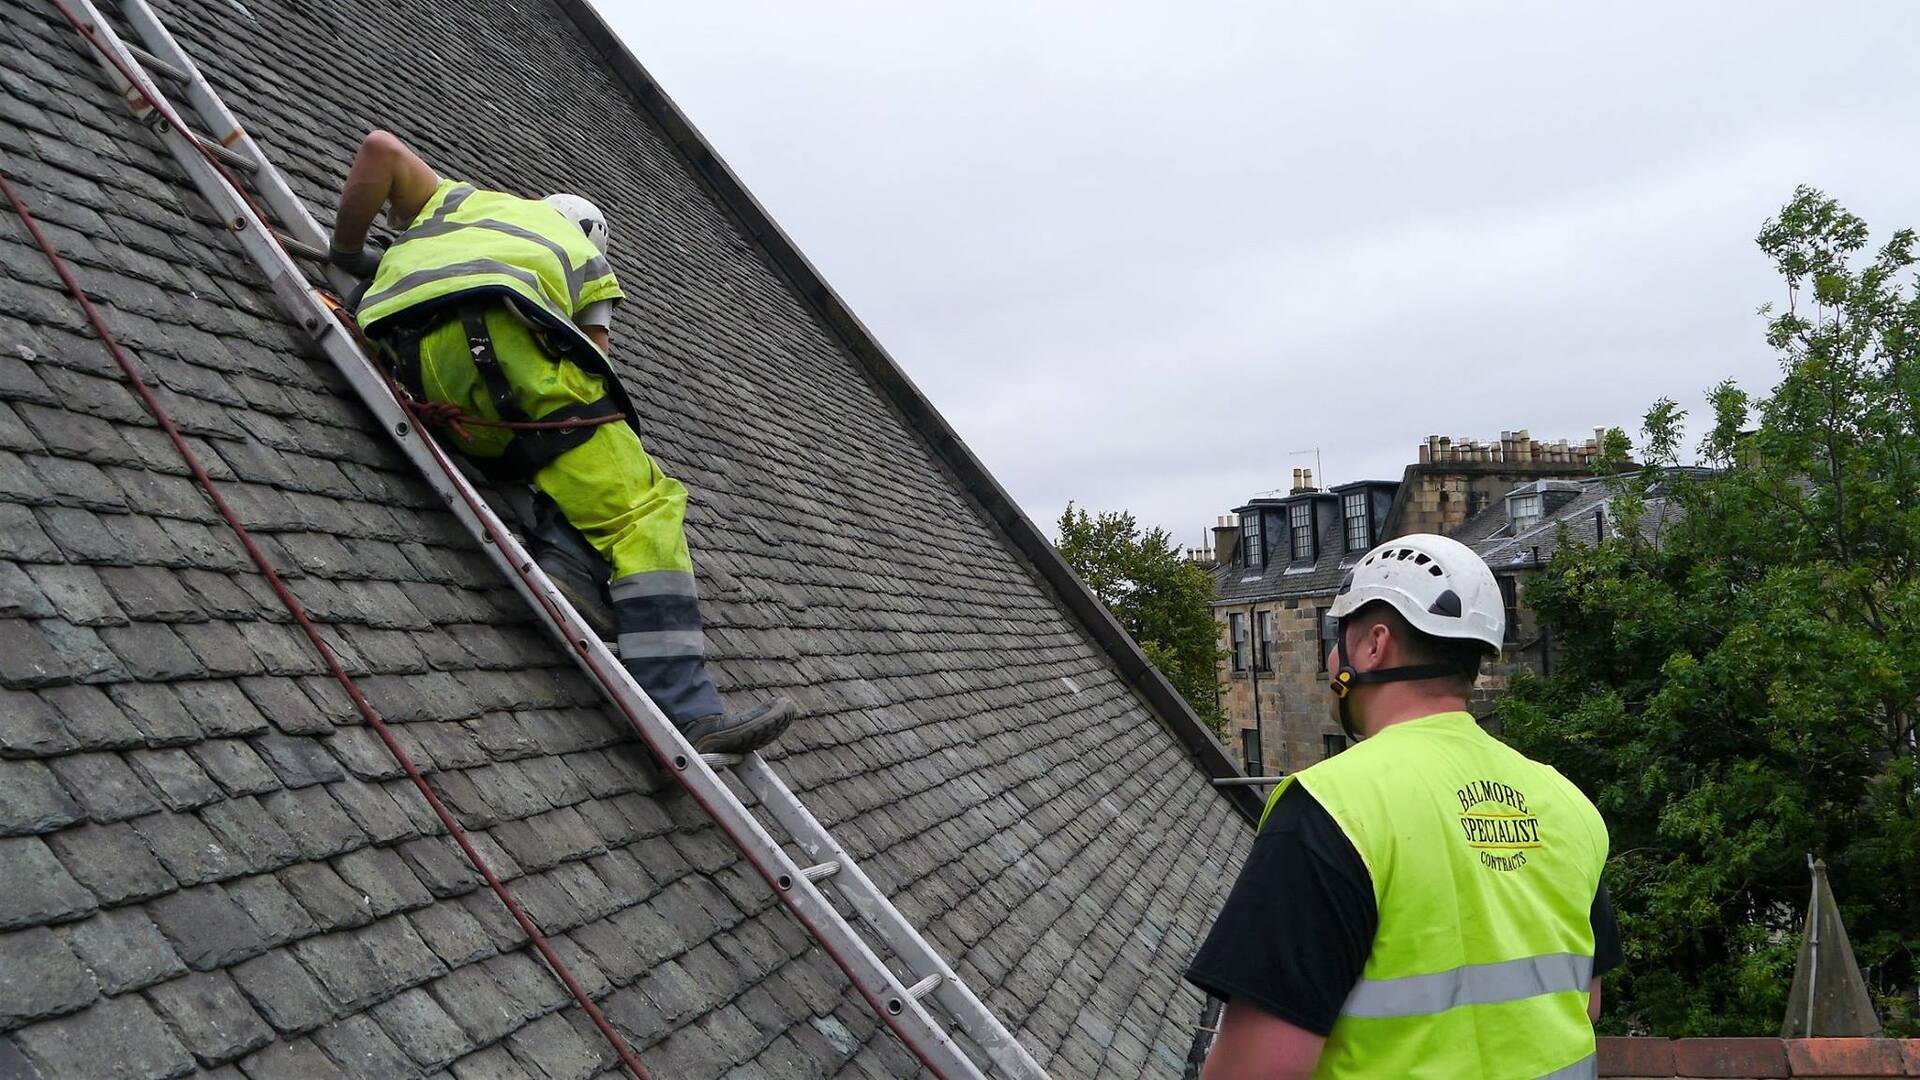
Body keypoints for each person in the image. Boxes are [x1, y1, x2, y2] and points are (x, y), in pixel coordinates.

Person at [327, 130, 794, 755]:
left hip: (409, 356)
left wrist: (350, 254)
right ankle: (686, 709)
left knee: (558, 473)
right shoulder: (587, 257)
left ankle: (568, 564)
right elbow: (591, 366)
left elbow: (379, 148)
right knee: (643, 505)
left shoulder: (465, 203)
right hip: (502, 369)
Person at [1186, 533, 1622, 1079]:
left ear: (1374, 645)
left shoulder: (1329, 809)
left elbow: (1254, 1072)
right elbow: (1585, 1004)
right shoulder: (1565, 801)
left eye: (1336, 636)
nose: (1328, 658)